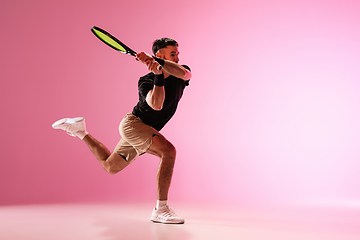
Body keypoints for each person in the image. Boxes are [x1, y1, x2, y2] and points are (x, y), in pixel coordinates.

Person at [52, 37, 191, 224]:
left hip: (147, 129)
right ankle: (161, 209)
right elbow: (156, 105)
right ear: (160, 54)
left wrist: (158, 63)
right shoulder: (146, 81)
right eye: (173, 54)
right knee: (168, 151)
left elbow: (184, 73)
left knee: (110, 166)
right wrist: (158, 76)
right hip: (133, 125)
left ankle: (80, 131)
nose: (177, 58)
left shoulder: (181, 72)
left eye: (177, 54)